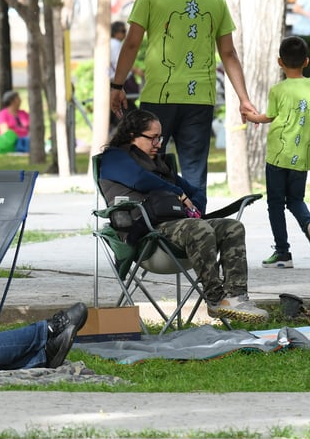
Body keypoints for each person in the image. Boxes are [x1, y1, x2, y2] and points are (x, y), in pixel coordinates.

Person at [109, 0, 257, 214]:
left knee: (149, 165)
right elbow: (229, 54)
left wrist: (117, 84)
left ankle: (158, 230)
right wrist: (244, 98)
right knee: (194, 174)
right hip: (199, 98)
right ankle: (195, 234)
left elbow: (131, 44)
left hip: (158, 98)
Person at [98, 108, 269, 324]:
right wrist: (178, 193)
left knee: (231, 227)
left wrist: (192, 206)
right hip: (148, 236)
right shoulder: (114, 158)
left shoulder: (159, 164)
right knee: (198, 228)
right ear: (132, 135)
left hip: (180, 230)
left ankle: (235, 297)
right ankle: (215, 299)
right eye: (153, 138)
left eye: (160, 137)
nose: (159, 143)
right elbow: (140, 180)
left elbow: (194, 192)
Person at [244, 36, 310, 269]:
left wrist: (251, 117)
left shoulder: (278, 90)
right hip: (301, 155)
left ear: (279, 62)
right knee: (296, 200)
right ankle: (309, 226)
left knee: (275, 204)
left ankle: (282, 252)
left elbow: (269, 117)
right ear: (307, 61)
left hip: (278, 156)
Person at [109, 21, 142, 128]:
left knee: (120, 110)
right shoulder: (116, 45)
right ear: (115, 32)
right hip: (121, 82)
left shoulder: (108, 44)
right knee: (130, 111)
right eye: (123, 31)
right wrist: (137, 71)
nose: (125, 34)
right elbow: (124, 61)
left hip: (113, 83)